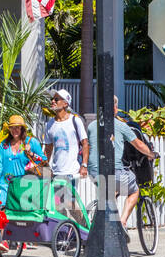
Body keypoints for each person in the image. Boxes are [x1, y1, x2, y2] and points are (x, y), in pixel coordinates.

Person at [87, 96, 156, 232]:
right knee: (134, 189)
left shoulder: (91, 126)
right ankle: (122, 222)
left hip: (93, 171)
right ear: (114, 109)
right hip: (112, 170)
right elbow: (139, 144)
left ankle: (107, 219)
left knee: (111, 190)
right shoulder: (120, 126)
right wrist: (151, 154)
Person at [44, 89, 90, 225]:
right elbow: (48, 148)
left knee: (70, 203)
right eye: (52, 99)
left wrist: (84, 165)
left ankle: (87, 230)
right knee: (58, 206)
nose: (53, 101)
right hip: (56, 171)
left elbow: (85, 144)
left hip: (71, 171)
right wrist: (46, 167)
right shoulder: (49, 124)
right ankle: (67, 234)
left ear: (65, 103)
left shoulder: (75, 120)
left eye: (56, 99)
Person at [0, 115, 48, 208]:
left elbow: (43, 161)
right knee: (3, 213)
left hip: (24, 187)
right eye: (12, 128)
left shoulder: (31, 142)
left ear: (22, 128)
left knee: (20, 217)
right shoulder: (4, 144)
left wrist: (31, 153)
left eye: (17, 127)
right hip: (5, 186)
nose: (15, 130)